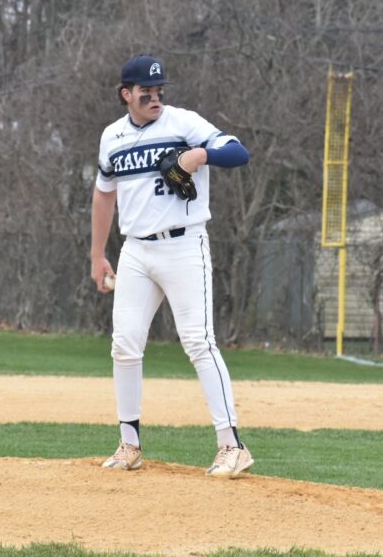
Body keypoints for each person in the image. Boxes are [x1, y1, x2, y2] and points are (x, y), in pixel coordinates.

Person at [90, 54, 253, 479]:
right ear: (126, 94)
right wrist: (96, 254)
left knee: (199, 341)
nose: (155, 96)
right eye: (146, 90)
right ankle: (129, 444)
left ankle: (232, 445)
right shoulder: (112, 137)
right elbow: (104, 193)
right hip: (136, 251)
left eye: (159, 89)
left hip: (184, 245)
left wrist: (198, 155)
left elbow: (238, 152)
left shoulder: (183, 122)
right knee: (124, 345)